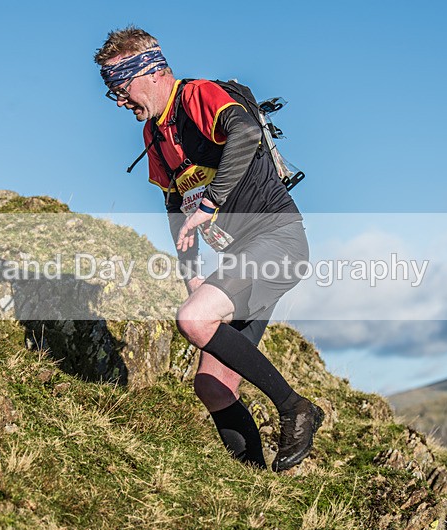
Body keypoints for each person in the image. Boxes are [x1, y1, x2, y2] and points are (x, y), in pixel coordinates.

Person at [94, 26, 323, 471]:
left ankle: (297, 408)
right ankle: (254, 483)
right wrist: (189, 270)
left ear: (151, 72)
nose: (120, 102)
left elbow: (245, 135)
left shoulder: (197, 95)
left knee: (193, 320)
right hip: (241, 258)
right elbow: (174, 203)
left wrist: (213, 200)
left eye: (120, 89)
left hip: (278, 239)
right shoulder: (154, 135)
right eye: (112, 94)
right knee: (213, 385)